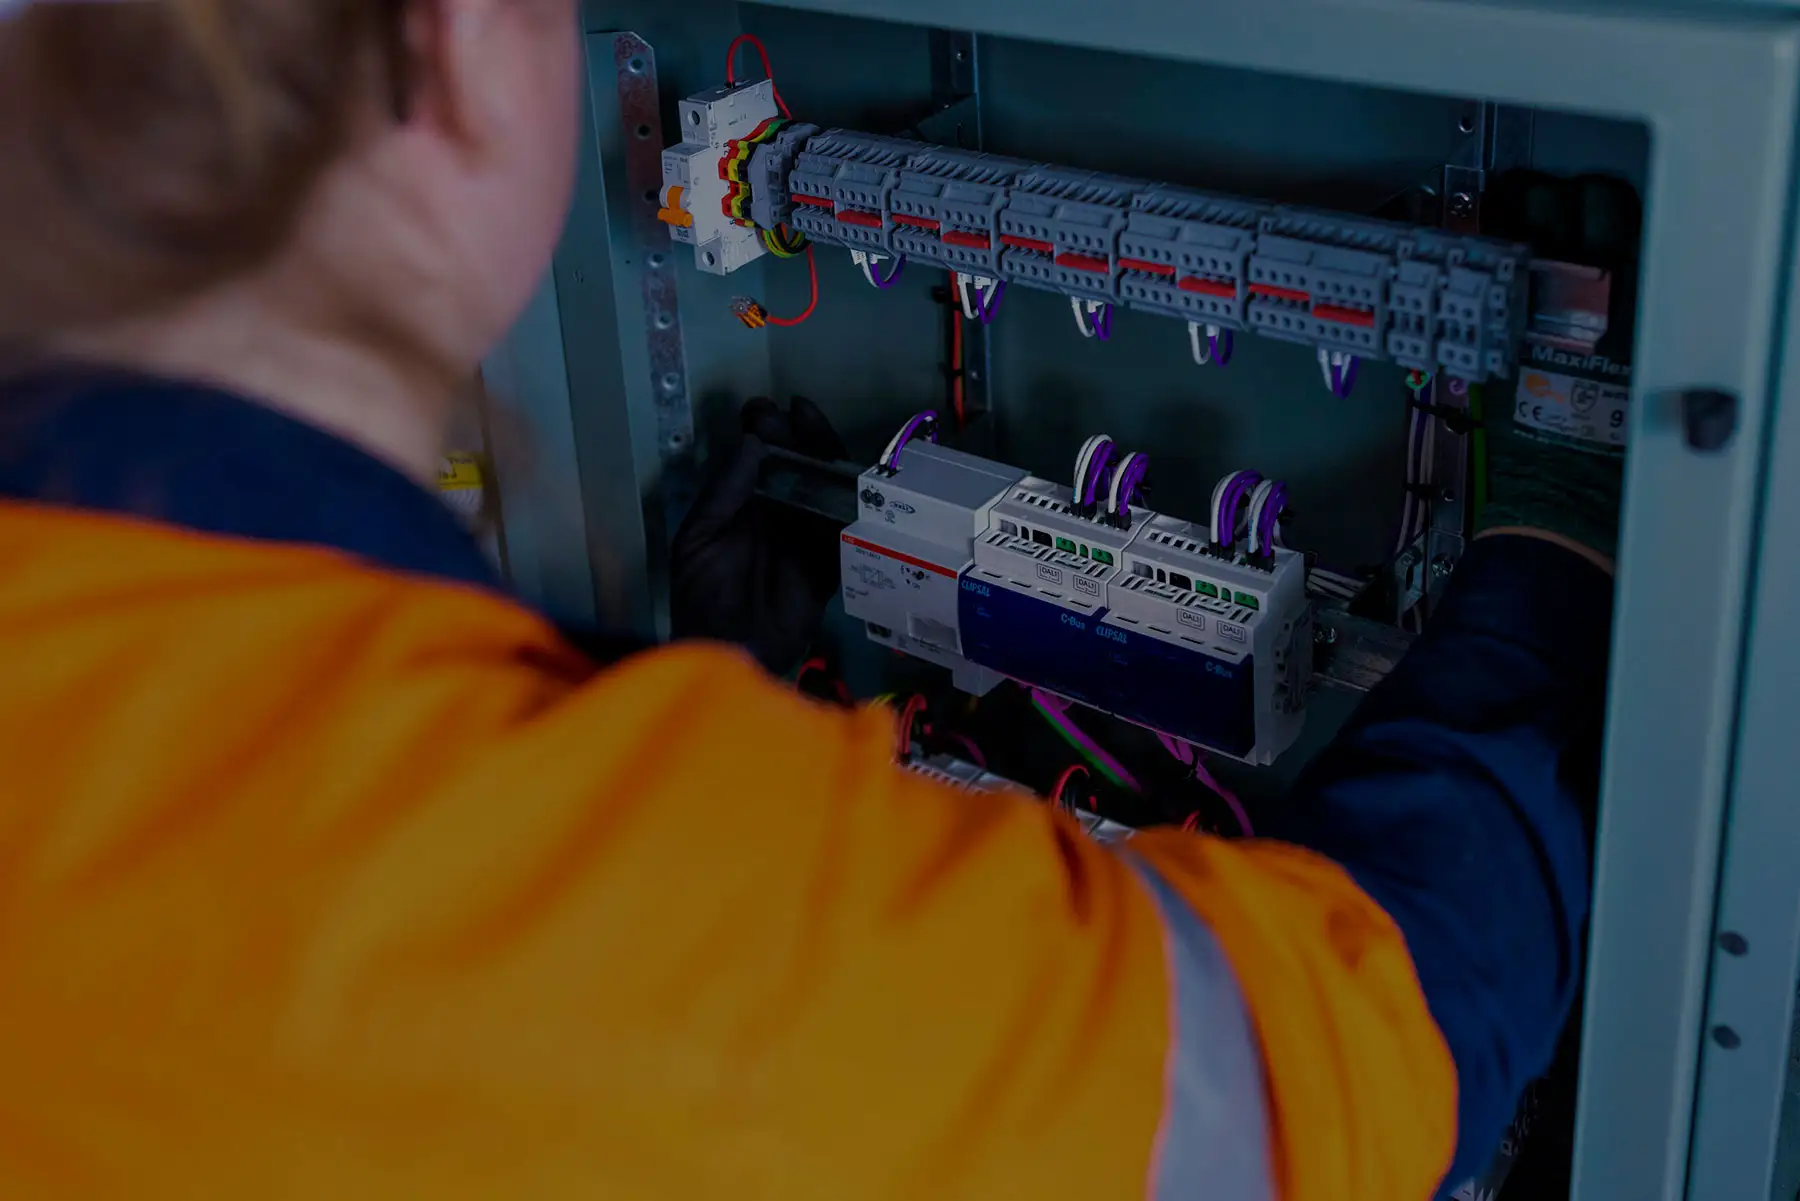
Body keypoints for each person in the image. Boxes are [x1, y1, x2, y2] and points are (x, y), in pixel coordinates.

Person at [0, 2, 1621, 1199]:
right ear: (452, 46)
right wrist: (1549, 544)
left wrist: (711, 720)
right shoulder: (655, 949)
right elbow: (1349, 1053)